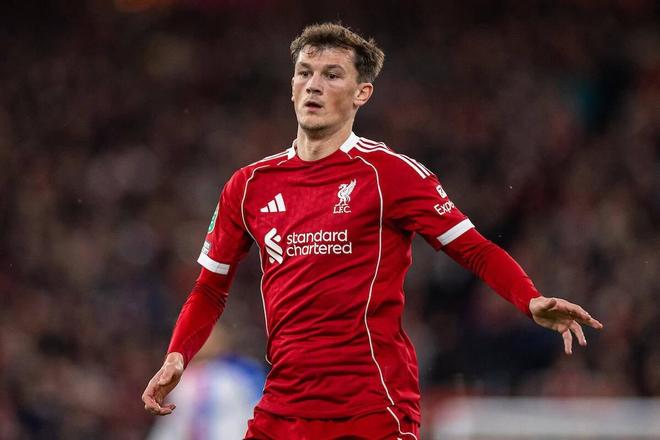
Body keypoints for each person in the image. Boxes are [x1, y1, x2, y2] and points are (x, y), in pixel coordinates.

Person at [142, 23, 603, 439]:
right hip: (282, 410)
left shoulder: (391, 175)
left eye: (332, 75)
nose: (314, 85)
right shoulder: (248, 185)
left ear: (362, 93)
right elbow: (210, 288)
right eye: (304, 73)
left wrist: (529, 299)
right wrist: (177, 355)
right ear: (292, 85)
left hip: (371, 408)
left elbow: (475, 250)